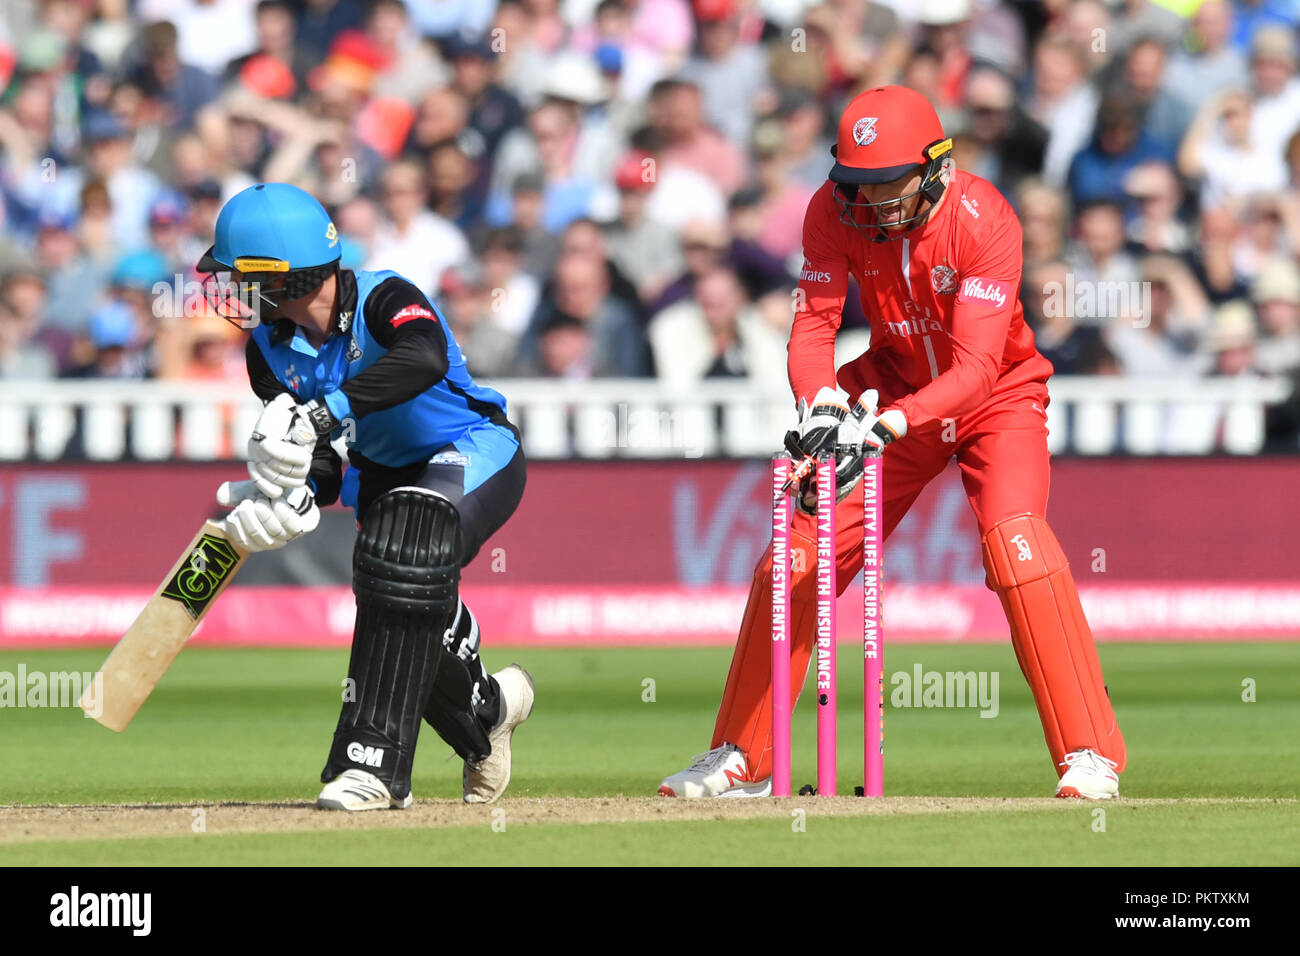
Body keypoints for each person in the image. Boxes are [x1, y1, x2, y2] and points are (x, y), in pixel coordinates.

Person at [660, 86, 1126, 801]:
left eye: (886, 184)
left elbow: (974, 369)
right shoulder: (830, 208)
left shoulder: (985, 218)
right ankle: (740, 757)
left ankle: (1089, 753)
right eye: (856, 183)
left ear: (936, 165)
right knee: (793, 555)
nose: (868, 201)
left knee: (1015, 542)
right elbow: (814, 328)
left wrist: (885, 426)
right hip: (890, 384)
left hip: (995, 397)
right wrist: (820, 405)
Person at [195, 182, 534, 810]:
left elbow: (424, 357)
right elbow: (316, 456)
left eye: (241, 277)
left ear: (284, 275)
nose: (233, 292)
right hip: (381, 476)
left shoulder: (385, 296)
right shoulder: (267, 351)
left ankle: (370, 765)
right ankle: (488, 711)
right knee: (395, 582)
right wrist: (296, 493)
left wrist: (325, 413)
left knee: (404, 550)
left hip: (472, 449)